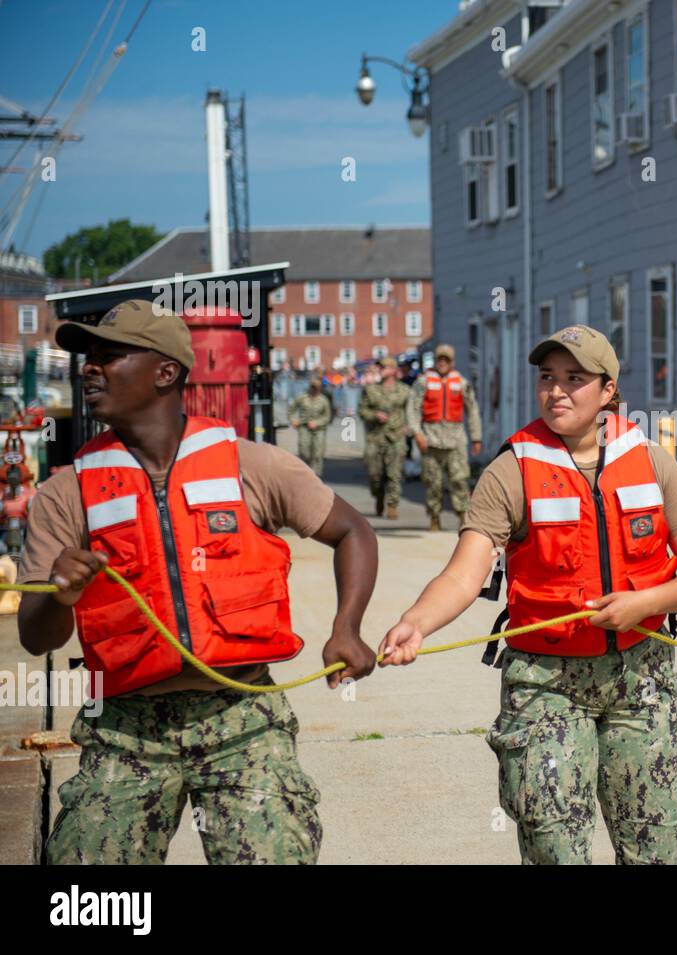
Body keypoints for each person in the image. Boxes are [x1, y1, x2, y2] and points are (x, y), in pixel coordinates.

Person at [16, 298, 377, 864]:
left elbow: (353, 531)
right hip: (123, 728)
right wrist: (62, 594)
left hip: (241, 718)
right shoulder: (66, 494)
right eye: (86, 357)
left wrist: (347, 628)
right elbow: (38, 638)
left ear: (166, 373)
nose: (89, 367)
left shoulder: (251, 465)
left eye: (109, 356)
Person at [380, 325, 677, 864]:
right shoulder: (511, 470)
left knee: (653, 842)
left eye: (574, 378)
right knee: (553, 842)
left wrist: (646, 603)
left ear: (608, 390)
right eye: (547, 377)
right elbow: (464, 575)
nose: (557, 391)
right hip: (546, 682)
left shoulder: (652, 461)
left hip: (641, 676)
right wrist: (416, 622)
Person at [406, 344, 483, 531]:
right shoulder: (422, 382)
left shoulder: (462, 383)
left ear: (452, 362)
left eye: (446, 360)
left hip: (455, 438)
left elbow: (472, 410)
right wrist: (417, 433)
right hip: (431, 438)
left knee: (460, 479)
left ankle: (463, 517)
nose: (442, 363)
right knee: (433, 481)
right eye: (440, 359)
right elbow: (412, 408)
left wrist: (476, 438)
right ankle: (434, 517)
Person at [359, 357, 412, 519]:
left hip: (395, 436)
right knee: (375, 474)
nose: (381, 369)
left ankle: (392, 504)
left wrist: (408, 428)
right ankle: (379, 495)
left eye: (385, 367)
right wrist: (374, 415)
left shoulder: (405, 391)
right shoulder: (370, 390)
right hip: (375, 437)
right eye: (380, 367)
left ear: (394, 371)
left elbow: (412, 412)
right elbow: (362, 411)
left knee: (394, 473)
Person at [288, 379, 332, 476]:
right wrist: (293, 420)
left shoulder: (323, 400)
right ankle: (306, 475)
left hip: (319, 430)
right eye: (312, 387)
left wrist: (317, 422)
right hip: (304, 428)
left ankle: (316, 477)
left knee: (318, 454)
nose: (314, 390)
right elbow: (291, 410)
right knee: (304, 453)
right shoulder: (302, 397)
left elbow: (327, 417)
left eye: (316, 388)